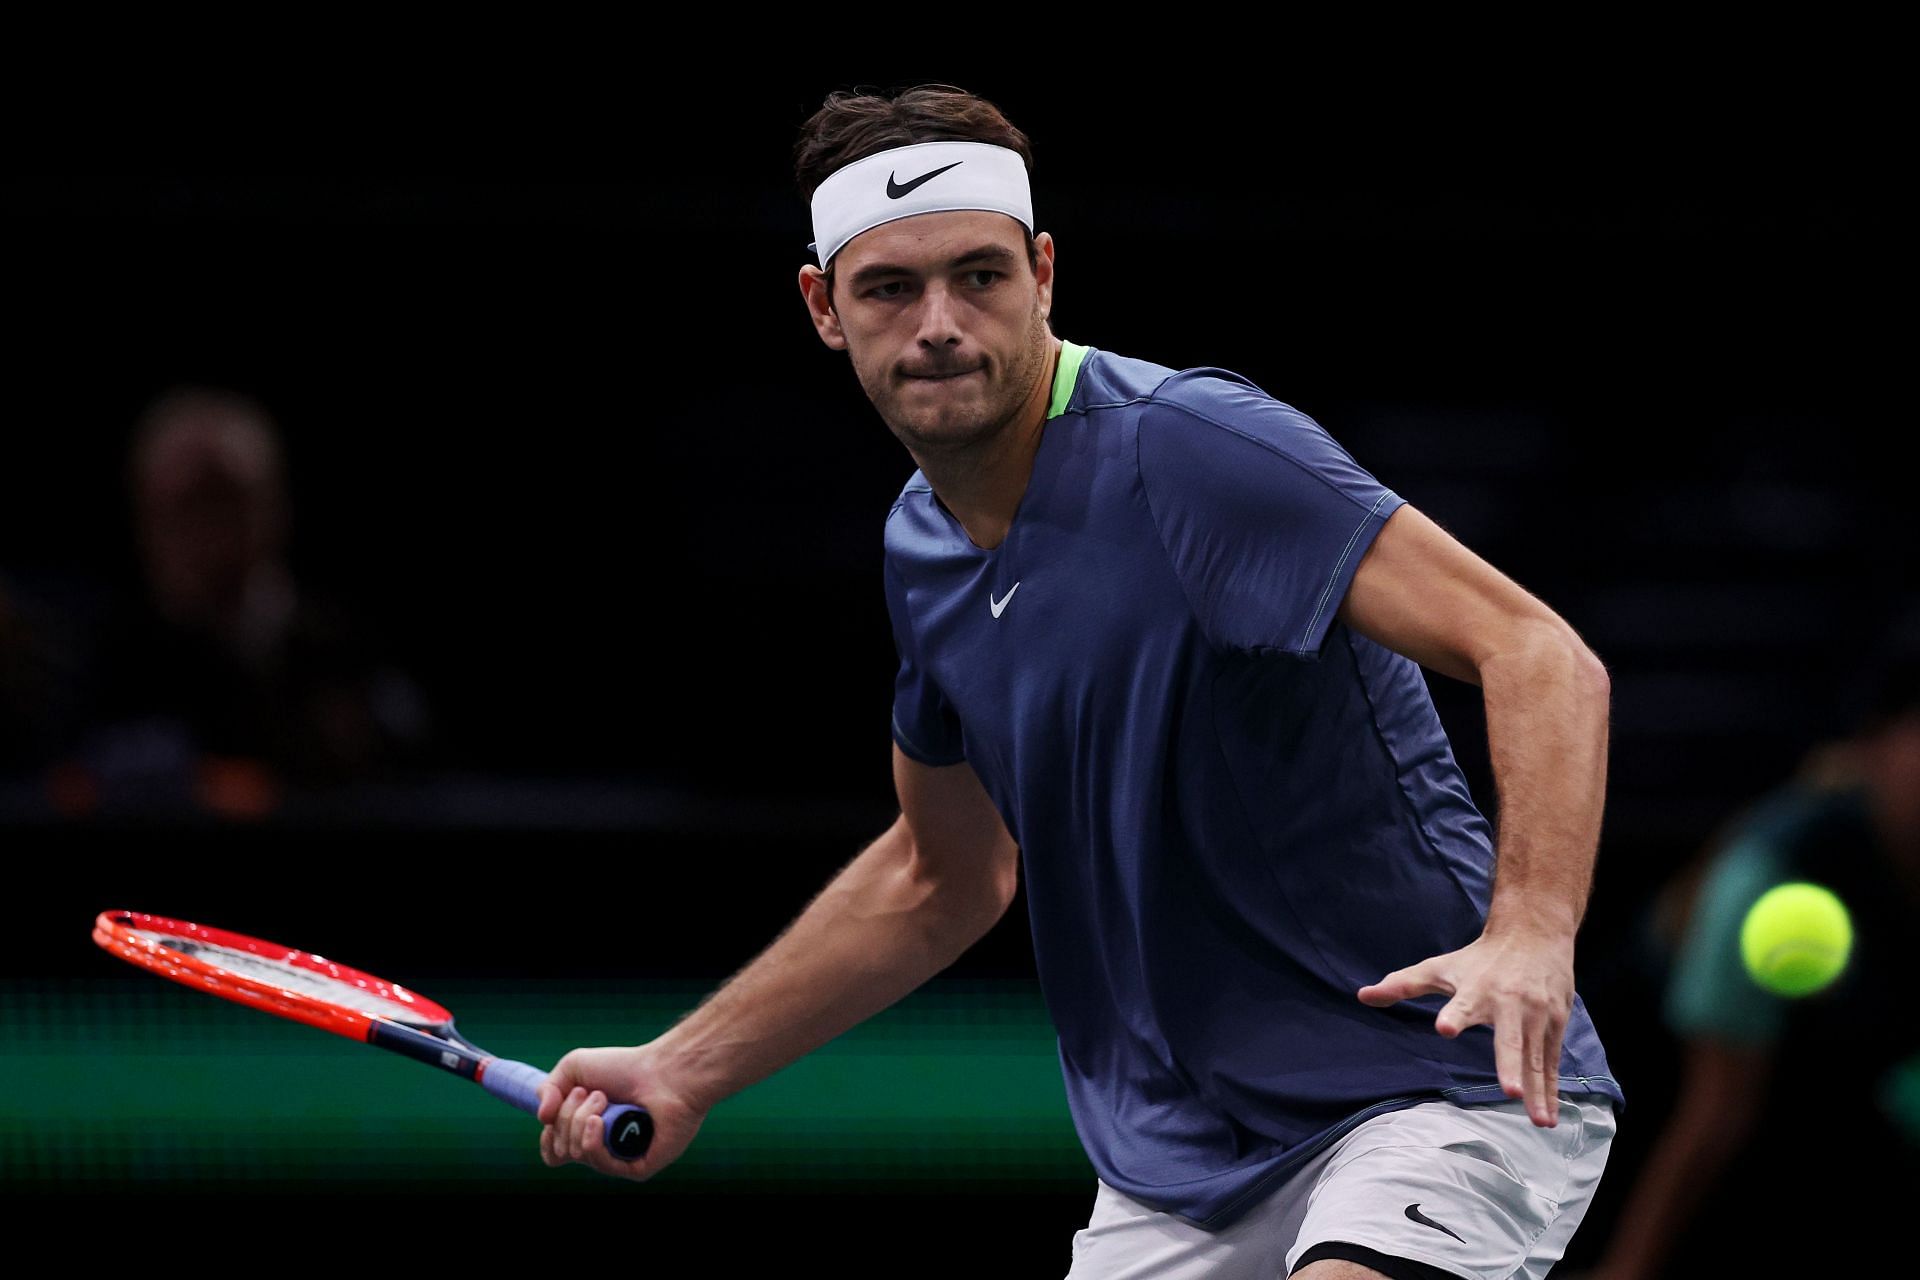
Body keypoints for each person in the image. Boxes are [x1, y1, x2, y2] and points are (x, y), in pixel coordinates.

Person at [537, 84, 1625, 1279]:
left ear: (1043, 273)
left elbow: (1536, 653)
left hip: (1435, 1085)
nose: (940, 322)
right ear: (823, 308)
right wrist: (687, 1064)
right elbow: (937, 872)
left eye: (980, 277)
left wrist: (1531, 928)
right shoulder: (922, 548)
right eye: (890, 288)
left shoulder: (1193, 446)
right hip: (1179, 1164)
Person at [1569, 614, 1920, 1277]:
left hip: (1826, 1102)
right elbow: (1714, 1119)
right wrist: (1627, 1267)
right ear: (1876, 746)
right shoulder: (1769, 869)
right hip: (1651, 1107)